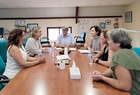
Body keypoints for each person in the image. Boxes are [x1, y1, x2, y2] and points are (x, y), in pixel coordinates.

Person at [92, 28, 140, 95]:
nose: (108, 42)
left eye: (109, 40)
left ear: (118, 42)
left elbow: (125, 86)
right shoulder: (129, 52)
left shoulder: (119, 55)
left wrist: (103, 78)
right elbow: (113, 69)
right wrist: (101, 74)